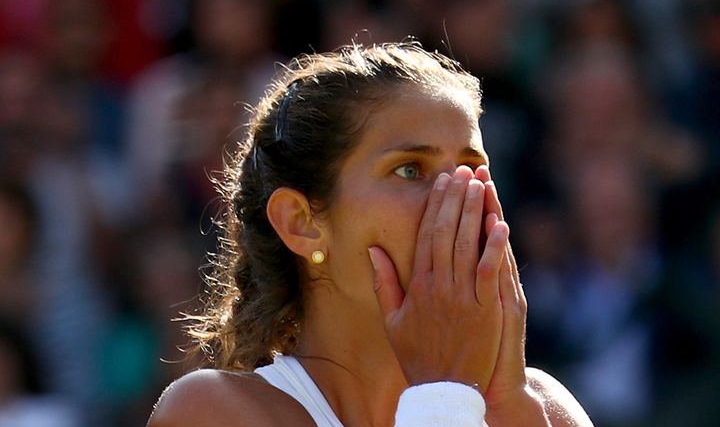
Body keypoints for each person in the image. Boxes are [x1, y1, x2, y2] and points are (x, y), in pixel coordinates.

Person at [147, 42, 593, 426]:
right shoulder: (212, 411)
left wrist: (509, 408)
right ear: (301, 223)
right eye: (410, 169)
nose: (456, 200)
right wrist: (443, 391)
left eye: (472, 171)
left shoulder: (543, 410)